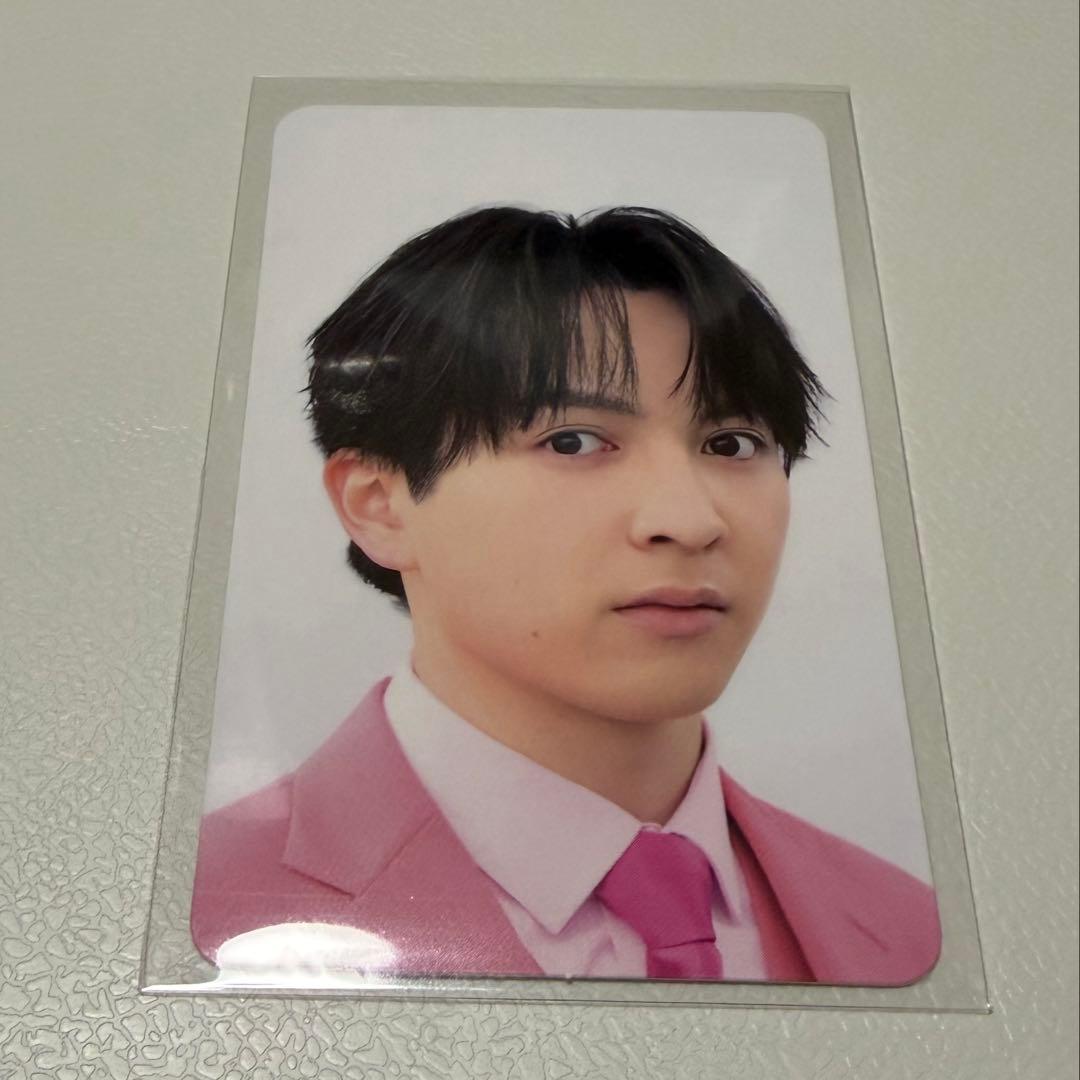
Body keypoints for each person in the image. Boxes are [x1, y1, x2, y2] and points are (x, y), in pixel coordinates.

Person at [191, 206, 941, 986]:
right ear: (380, 504)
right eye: (573, 441)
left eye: (732, 443)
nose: (689, 521)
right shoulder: (196, 916)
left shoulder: (911, 931)